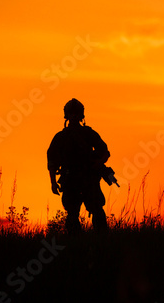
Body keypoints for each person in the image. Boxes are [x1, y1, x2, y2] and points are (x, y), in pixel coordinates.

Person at [47, 98, 114, 234]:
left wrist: (98, 164)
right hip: (71, 180)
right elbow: (52, 162)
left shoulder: (88, 134)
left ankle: (101, 242)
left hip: (88, 179)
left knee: (97, 211)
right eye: (71, 113)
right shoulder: (61, 137)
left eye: (76, 113)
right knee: (72, 214)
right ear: (67, 115)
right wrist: (53, 182)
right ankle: (76, 244)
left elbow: (105, 152)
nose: (74, 116)